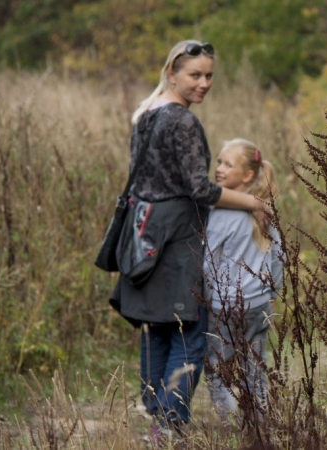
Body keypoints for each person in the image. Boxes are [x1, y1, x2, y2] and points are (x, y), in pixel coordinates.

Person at [111, 40, 267, 446]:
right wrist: (253, 201)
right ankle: (166, 426)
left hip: (143, 234)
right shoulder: (182, 121)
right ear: (172, 73)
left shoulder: (146, 114)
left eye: (209, 75)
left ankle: (157, 415)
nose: (204, 83)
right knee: (188, 332)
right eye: (195, 75)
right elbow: (201, 189)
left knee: (158, 326)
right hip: (177, 238)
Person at [202, 138, 283, 426]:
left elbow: (209, 263)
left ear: (247, 175)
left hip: (226, 305)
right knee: (254, 368)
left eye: (228, 164)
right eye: (219, 162)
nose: (220, 169)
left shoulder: (222, 213)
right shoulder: (263, 209)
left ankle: (234, 424)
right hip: (259, 304)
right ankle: (259, 425)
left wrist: (205, 299)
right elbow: (278, 256)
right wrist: (273, 292)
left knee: (216, 370)